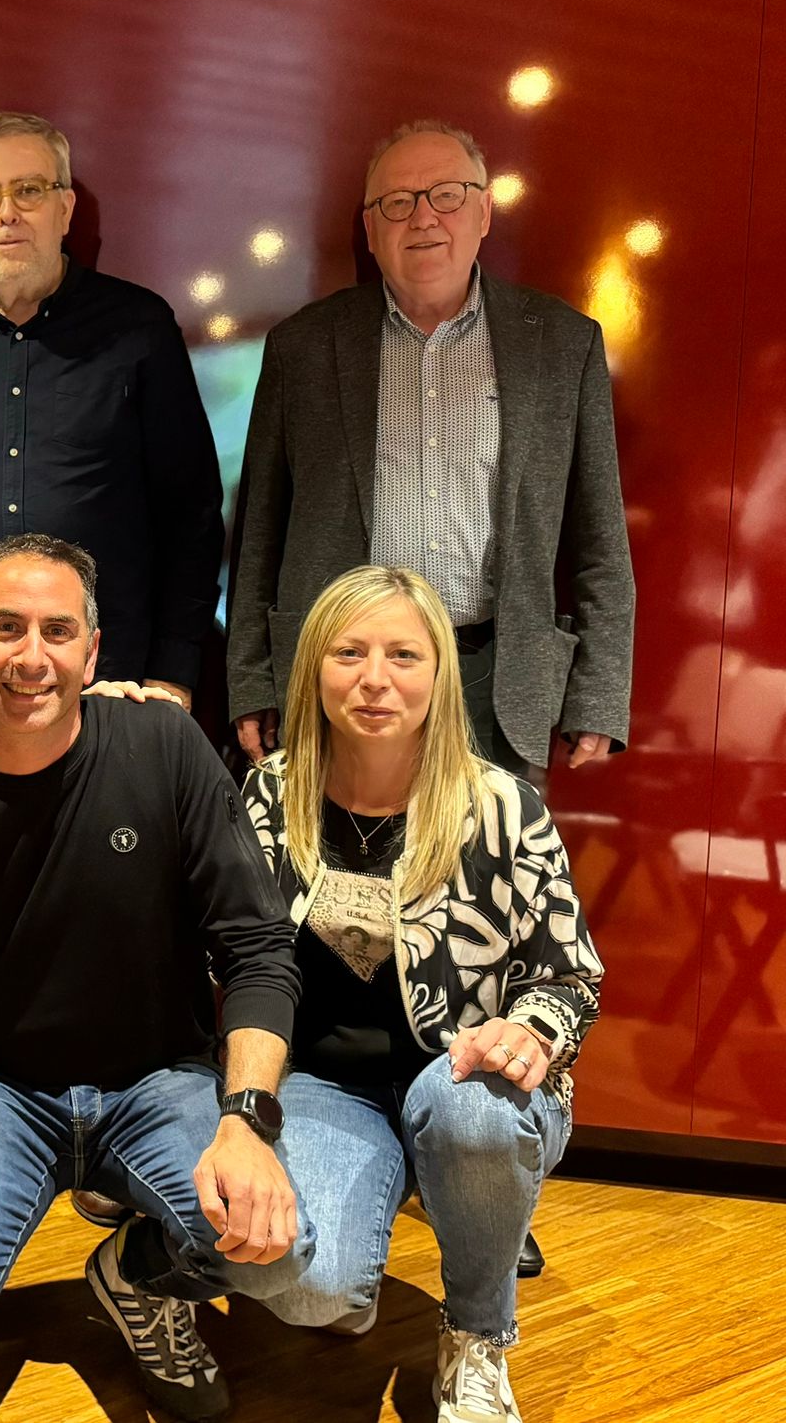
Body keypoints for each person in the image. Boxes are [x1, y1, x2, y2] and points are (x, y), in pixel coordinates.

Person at [0, 533, 308, 1423]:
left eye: (59, 631)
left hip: (157, 1078)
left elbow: (255, 946)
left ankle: (135, 1276)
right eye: (6, 629)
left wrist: (246, 1123)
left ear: (93, 652)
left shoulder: (166, 747)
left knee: (278, 1254)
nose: (33, 655)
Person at [238, 565, 601, 1423]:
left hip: (465, 1079)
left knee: (470, 1113)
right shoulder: (266, 795)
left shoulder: (503, 805)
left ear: (439, 671)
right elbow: (231, 955)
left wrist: (532, 1031)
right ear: (312, 669)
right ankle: (360, 1239)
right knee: (314, 1293)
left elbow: (573, 974)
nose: (374, 678)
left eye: (404, 654)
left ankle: (478, 1337)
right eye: (349, 652)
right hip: (327, 1087)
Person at [228, 119, 634, 778]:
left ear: (484, 210)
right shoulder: (304, 347)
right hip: (342, 676)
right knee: (339, 874)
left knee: (485, 877)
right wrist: (251, 680)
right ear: (370, 228)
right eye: (397, 202)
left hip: (494, 683)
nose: (423, 219)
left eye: (446, 195)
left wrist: (599, 692)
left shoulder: (562, 345)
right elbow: (259, 532)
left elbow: (600, 541)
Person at [0, 111, 224, 765]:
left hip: (109, 695)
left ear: (65, 207)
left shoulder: (139, 330)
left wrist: (174, 670)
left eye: (29, 191)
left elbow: (190, 515)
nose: (7, 214)